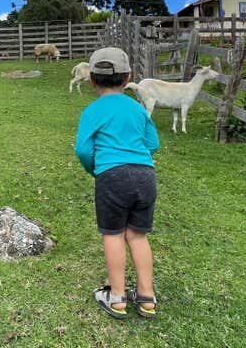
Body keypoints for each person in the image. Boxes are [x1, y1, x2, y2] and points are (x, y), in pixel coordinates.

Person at [74, 47, 159, 319]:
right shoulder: (137, 108)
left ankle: (118, 297)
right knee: (137, 235)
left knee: (113, 235)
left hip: (112, 176)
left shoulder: (92, 111)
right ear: (128, 78)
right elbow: (153, 144)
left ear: (91, 80)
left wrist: (96, 170)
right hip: (145, 175)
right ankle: (146, 297)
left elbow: (83, 151)